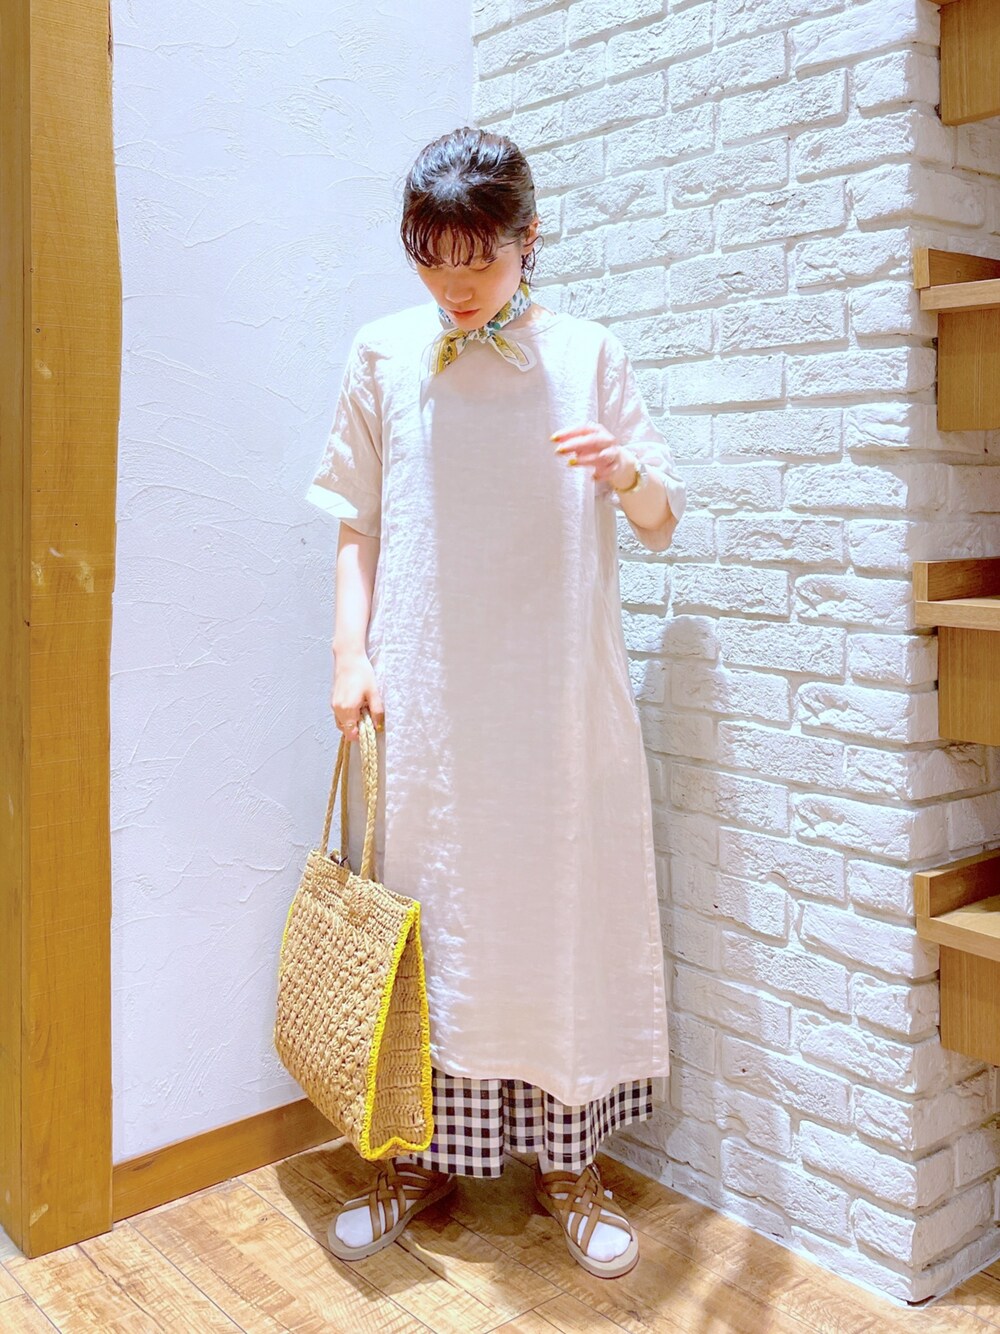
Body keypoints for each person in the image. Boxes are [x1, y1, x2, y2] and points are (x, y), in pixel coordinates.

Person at [305, 126, 687, 1281]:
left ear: (529, 238)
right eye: (431, 260)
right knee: (432, 922)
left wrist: (625, 471)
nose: (454, 286)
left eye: (477, 259)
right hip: (426, 698)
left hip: (557, 704)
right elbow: (357, 520)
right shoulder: (384, 350)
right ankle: (412, 1161)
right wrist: (348, 652)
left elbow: (662, 520)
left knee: (559, 918)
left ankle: (571, 1168)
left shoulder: (586, 352)